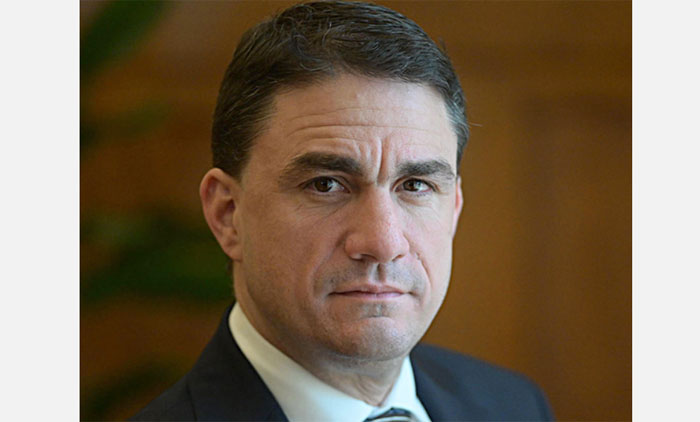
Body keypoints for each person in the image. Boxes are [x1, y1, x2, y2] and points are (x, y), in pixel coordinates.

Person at [132, 1, 553, 421]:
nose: (383, 243)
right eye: (326, 184)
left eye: (415, 186)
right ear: (228, 214)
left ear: (454, 208)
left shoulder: (514, 406)